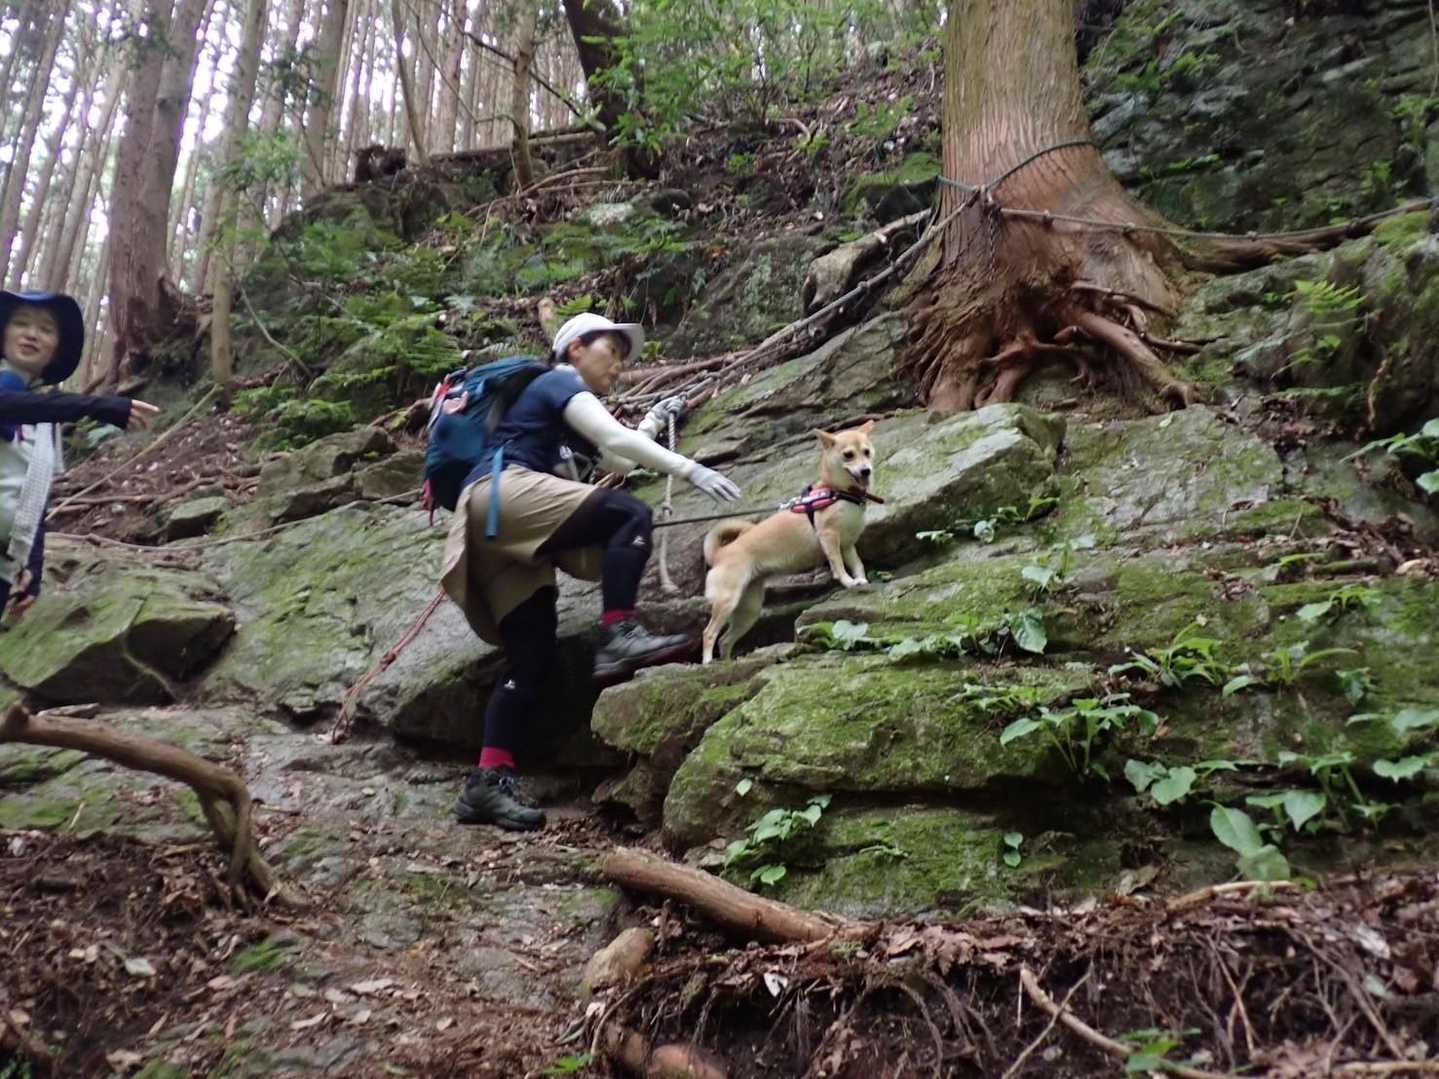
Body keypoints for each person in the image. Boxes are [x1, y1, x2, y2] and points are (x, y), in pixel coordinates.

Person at [440, 312, 742, 831]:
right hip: (504, 493)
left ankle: (486, 782)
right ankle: (619, 633)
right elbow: (614, 439)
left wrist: (653, 423)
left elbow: (618, 459)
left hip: (491, 525)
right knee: (630, 514)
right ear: (576, 348)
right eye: (612, 351)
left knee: (531, 658)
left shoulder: (560, 421)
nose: (618, 366)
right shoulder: (557, 381)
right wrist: (690, 468)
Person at [0, 290, 159, 619]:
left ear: (55, 348)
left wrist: (32, 568)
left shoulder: (46, 422)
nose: (32, 334)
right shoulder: (23, 399)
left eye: (45, 329)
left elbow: (36, 496)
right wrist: (97, 407)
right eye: (21, 323)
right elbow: (9, 405)